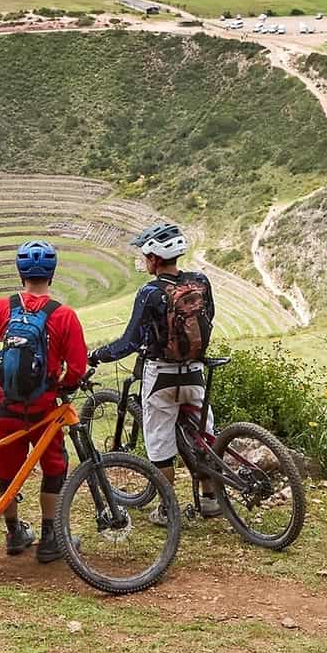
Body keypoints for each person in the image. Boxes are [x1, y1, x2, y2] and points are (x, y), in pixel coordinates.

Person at [89, 222, 221, 526]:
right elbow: (208, 318)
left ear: (154, 259)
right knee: (203, 435)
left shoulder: (150, 292)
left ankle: (166, 509)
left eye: (146, 256)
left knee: (160, 443)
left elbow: (129, 342)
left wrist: (97, 355)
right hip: (195, 371)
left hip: (161, 375)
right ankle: (211, 499)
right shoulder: (200, 282)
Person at [0, 241, 88, 563]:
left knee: (6, 470)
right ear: (52, 274)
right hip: (44, 409)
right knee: (54, 468)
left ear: (19, 272)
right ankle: (50, 537)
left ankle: (13, 534)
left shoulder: (4, 306)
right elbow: (78, 369)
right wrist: (61, 385)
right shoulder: (64, 315)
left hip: (5, 406)